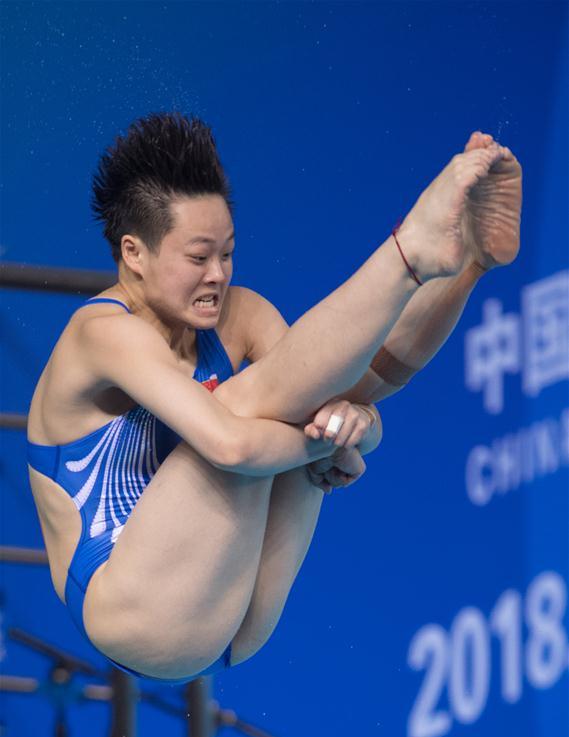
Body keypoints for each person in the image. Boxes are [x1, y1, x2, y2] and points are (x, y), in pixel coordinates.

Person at [26, 113, 522, 683]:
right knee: (244, 406)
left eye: (228, 253)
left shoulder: (242, 314)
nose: (217, 275)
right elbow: (231, 447)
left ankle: (467, 267)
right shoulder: (102, 334)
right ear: (133, 253)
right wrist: (329, 446)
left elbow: (340, 403)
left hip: (240, 615)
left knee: (318, 394)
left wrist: (349, 427)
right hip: (136, 613)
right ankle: (409, 253)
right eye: (197, 257)